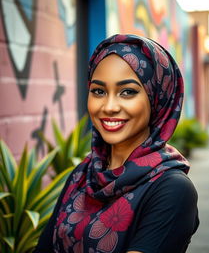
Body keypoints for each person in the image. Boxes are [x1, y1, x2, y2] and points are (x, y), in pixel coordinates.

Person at [34, 34, 199, 253]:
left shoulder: (172, 189)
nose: (109, 106)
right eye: (99, 91)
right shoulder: (83, 173)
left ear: (157, 98)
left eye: (127, 92)